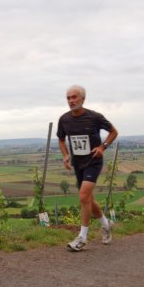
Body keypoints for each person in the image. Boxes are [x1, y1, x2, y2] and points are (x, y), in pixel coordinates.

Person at [57, 85, 118, 251]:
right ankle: (106, 224)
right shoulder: (64, 119)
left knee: (83, 196)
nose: (71, 101)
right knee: (88, 199)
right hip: (78, 163)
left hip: (93, 161)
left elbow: (113, 132)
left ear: (83, 99)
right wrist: (66, 155)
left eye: (74, 97)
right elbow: (61, 139)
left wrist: (102, 147)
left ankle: (82, 238)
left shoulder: (95, 117)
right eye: (68, 98)